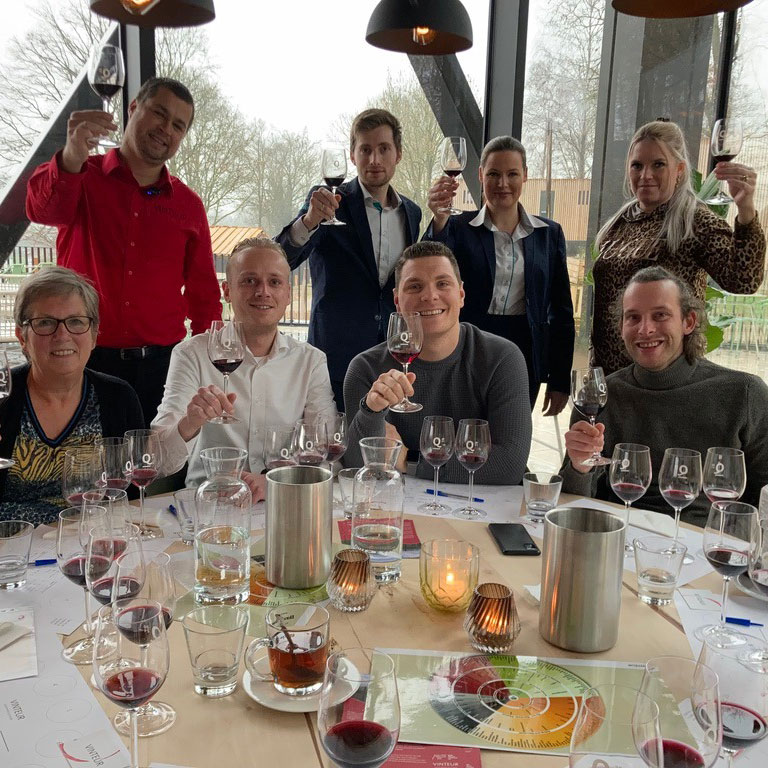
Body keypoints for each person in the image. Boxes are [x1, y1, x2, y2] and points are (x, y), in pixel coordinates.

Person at [25, 77, 222, 426]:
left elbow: (204, 296)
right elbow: (41, 210)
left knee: (158, 460)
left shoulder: (189, 205)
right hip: (82, 358)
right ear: (133, 108)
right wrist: (71, 156)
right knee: (83, 458)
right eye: (159, 113)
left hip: (162, 369)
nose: (166, 129)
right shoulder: (80, 174)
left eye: (178, 125)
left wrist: (208, 367)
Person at [562, 266, 768, 526]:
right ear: (621, 327)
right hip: (615, 536)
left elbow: (763, 501)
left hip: (705, 542)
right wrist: (579, 467)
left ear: (688, 322)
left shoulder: (743, 394)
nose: (645, 329)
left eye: (660, 315)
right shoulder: (602, 395)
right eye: (633, 317)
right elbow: (571, 503)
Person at [152, 238, 336, 501]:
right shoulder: (191, 354)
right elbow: (158, 462)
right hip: (208, 504)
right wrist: (189, 424)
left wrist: (275, 481)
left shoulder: (311, 361)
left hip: (283, 501)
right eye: (249, 281)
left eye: (274, 282)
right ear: (227, 291)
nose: (263, 291)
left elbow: (326, 454)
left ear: (288, 294)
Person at [343, 241, 532, 485]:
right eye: (415, 286)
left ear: (461, 295)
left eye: (442, 284)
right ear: (397, 300)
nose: (430, 296)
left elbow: (509, 465)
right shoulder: (365, 368)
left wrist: (409, 461)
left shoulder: (502, 358)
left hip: (481, 505)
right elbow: (356, 466)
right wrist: (371, 412)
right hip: (399, 503)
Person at [591, 119, 765, 375]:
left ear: (680, 169)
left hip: (667, 377)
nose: (645, 175)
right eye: (637, 165)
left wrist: (746, 210)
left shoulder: (693, 220)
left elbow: (744, 280)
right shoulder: (620, 222)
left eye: (658, 164)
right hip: (611, 377)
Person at [276, 109, 422, 407]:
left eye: (384, 149)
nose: (374, 159)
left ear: (398, 154)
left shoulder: (412, 212)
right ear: (353, 156)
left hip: (391, 358)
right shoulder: (326, 201)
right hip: (334, 357)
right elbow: (282, 259)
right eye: (365, 150)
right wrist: (309, 221)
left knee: (385, 435)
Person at [424, 135, 574, 414]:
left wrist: (559, 380)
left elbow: (561, 311)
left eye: (512, 174)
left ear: (525, 175)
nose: (503, 183)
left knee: (512, 432)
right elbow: (429, 266)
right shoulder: (457, 226)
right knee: (460, 429)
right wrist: (439, 219)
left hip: (525, 351)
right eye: (493, 174)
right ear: (481, 175)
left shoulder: (549, 234)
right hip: (467, 346)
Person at [0, 267, 144, 525]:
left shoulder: (119, 397)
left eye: (76, 321)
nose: (62, 335)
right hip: (11, 545)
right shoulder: (4, 396)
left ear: (94, 334)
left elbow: (128, 498)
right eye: (45, 322)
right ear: (22, 337)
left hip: (93, 540)